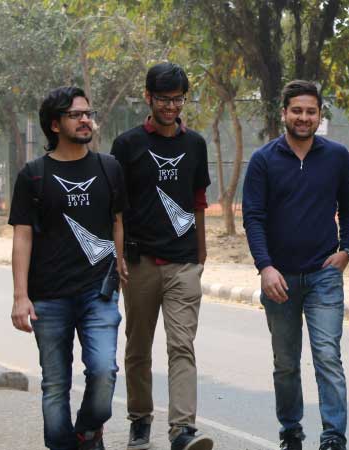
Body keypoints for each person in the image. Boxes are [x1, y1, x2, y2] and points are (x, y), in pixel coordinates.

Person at [242, 80, 349, 450]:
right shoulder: (264, 160)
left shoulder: (337, 156)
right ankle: (290, 429)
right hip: (279, 279)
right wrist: (265, 267)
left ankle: (333, 436)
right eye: (297, 110)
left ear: (320, 115)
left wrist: (346, 250)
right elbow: (254, 217)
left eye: (311, 111)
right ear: (284, 114)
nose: (304, 117)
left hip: (324, 276)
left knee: (327, 356)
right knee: (286, 363)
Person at [9, 86, 127, 450]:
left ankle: (89, 431)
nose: (85, 120)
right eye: (76, 115)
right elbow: (22, 237)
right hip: (49, 298)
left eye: (87, 113)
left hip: (99, 293)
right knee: (56, 384)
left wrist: (121, 264)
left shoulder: (109, 167)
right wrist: (20, 297)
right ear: (55, 124)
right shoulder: (34, 175)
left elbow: (119, 220)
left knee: (104, 372)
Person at [110, 62, 213, 450]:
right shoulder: (127, 145)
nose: (171, 107)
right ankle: (140, 420)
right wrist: (116, 256)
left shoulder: (196, 144)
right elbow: (116, 208)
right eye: (164, 99)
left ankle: (182, 430)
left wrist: (201, 253)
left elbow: (199, 200)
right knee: (138, 348)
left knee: (181, 346)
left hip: (183, 263)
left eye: (178, 99)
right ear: (149, 98)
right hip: (138, 263)